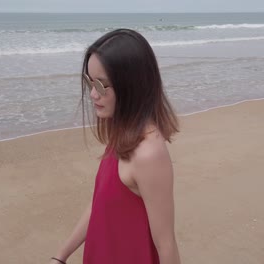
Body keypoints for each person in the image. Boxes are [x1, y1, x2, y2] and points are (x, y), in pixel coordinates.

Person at [49, 29, 181, 264]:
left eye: (102, 86)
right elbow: (99, 205)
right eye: (90, 82)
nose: (92, 94)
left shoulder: (149, 154)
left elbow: (166, 245)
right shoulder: (122, 135)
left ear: (132, 85)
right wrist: (61, 256)